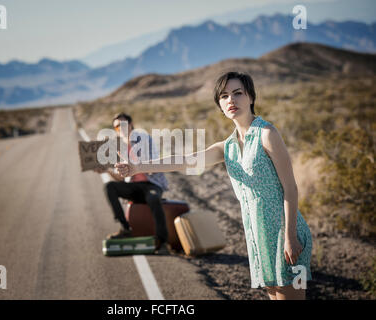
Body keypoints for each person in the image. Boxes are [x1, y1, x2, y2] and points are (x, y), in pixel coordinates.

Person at [114, 72, 313, 300]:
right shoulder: (226, 147)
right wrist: (137, 168)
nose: (231, 100)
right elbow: (187, 160)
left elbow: (290, 188)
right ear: (219, 104)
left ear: (250, 97)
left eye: (238, 93)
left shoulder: (267, 134)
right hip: (258, 235)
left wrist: (290, 237)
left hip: (285, 232)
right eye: (224, 96)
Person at [94, 112, 171, 252]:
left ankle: (162, 240)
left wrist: (135, 164)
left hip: (151, 184)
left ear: (130, 124)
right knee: (110, 187)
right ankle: (126, 228)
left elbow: (155, 165)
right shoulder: (119, 147)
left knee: (154, 198)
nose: (120, 128)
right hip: (134, 187)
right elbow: (122, 178)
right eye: (117, 127)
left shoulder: (144, 139)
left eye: (123, 124)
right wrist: (107, 171)